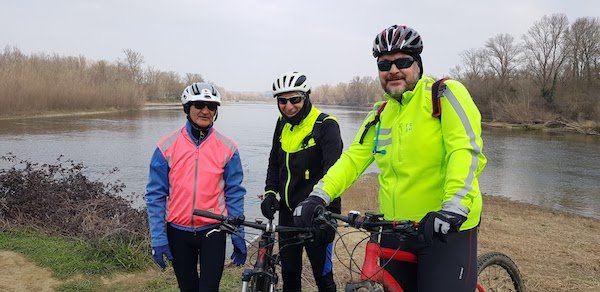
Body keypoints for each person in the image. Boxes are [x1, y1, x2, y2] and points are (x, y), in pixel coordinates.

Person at [293, 25, 487, 292]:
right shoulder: (380, 113)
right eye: (384, 64)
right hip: (397, 228)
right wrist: (318, 196)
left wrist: (454, 206)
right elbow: (353, 159)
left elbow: (464, 150)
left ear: (417, 65)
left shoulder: (443, 94)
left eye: (402, 61)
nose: (393, 70)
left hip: (445, 227)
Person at [145, 82, 247, 292]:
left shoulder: (228, 148)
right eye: (199, 104)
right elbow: (155, 195)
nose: (206, 111)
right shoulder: (166, 146)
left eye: (212, 107)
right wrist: (158, 237)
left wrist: (238, 234)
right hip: (178, 232)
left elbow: (234, 194)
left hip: (214, 231)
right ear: (187, 108)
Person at [260, 71, 343, 292]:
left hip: (316, 214)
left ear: (306, 97)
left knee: (323, 277)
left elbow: (335, 173)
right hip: (288, 214)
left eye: (295, 99)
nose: (288, 107)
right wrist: (270, 192)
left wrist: (330, 217)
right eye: (282, 101)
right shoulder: (282, 123)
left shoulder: (326, 125)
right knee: (289, 274)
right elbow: (274, 161)